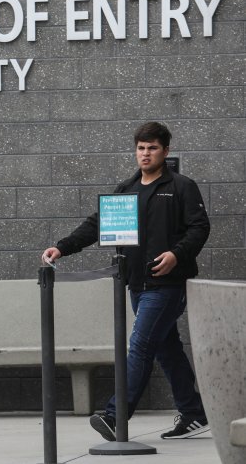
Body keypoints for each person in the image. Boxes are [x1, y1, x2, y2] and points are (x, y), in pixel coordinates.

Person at [41, 121, 211, 441]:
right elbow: (96, 225)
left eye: (152, 148)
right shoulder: (126, 189)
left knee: (141, 346)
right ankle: (193, 411)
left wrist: (177, 254)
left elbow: (199, 228)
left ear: (165, 151)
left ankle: (115, 415)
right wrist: (62, 247)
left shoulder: (181, 186)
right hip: (136, 283)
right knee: (166, 349)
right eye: (141, 148)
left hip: (167, 285)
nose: (145, 154)